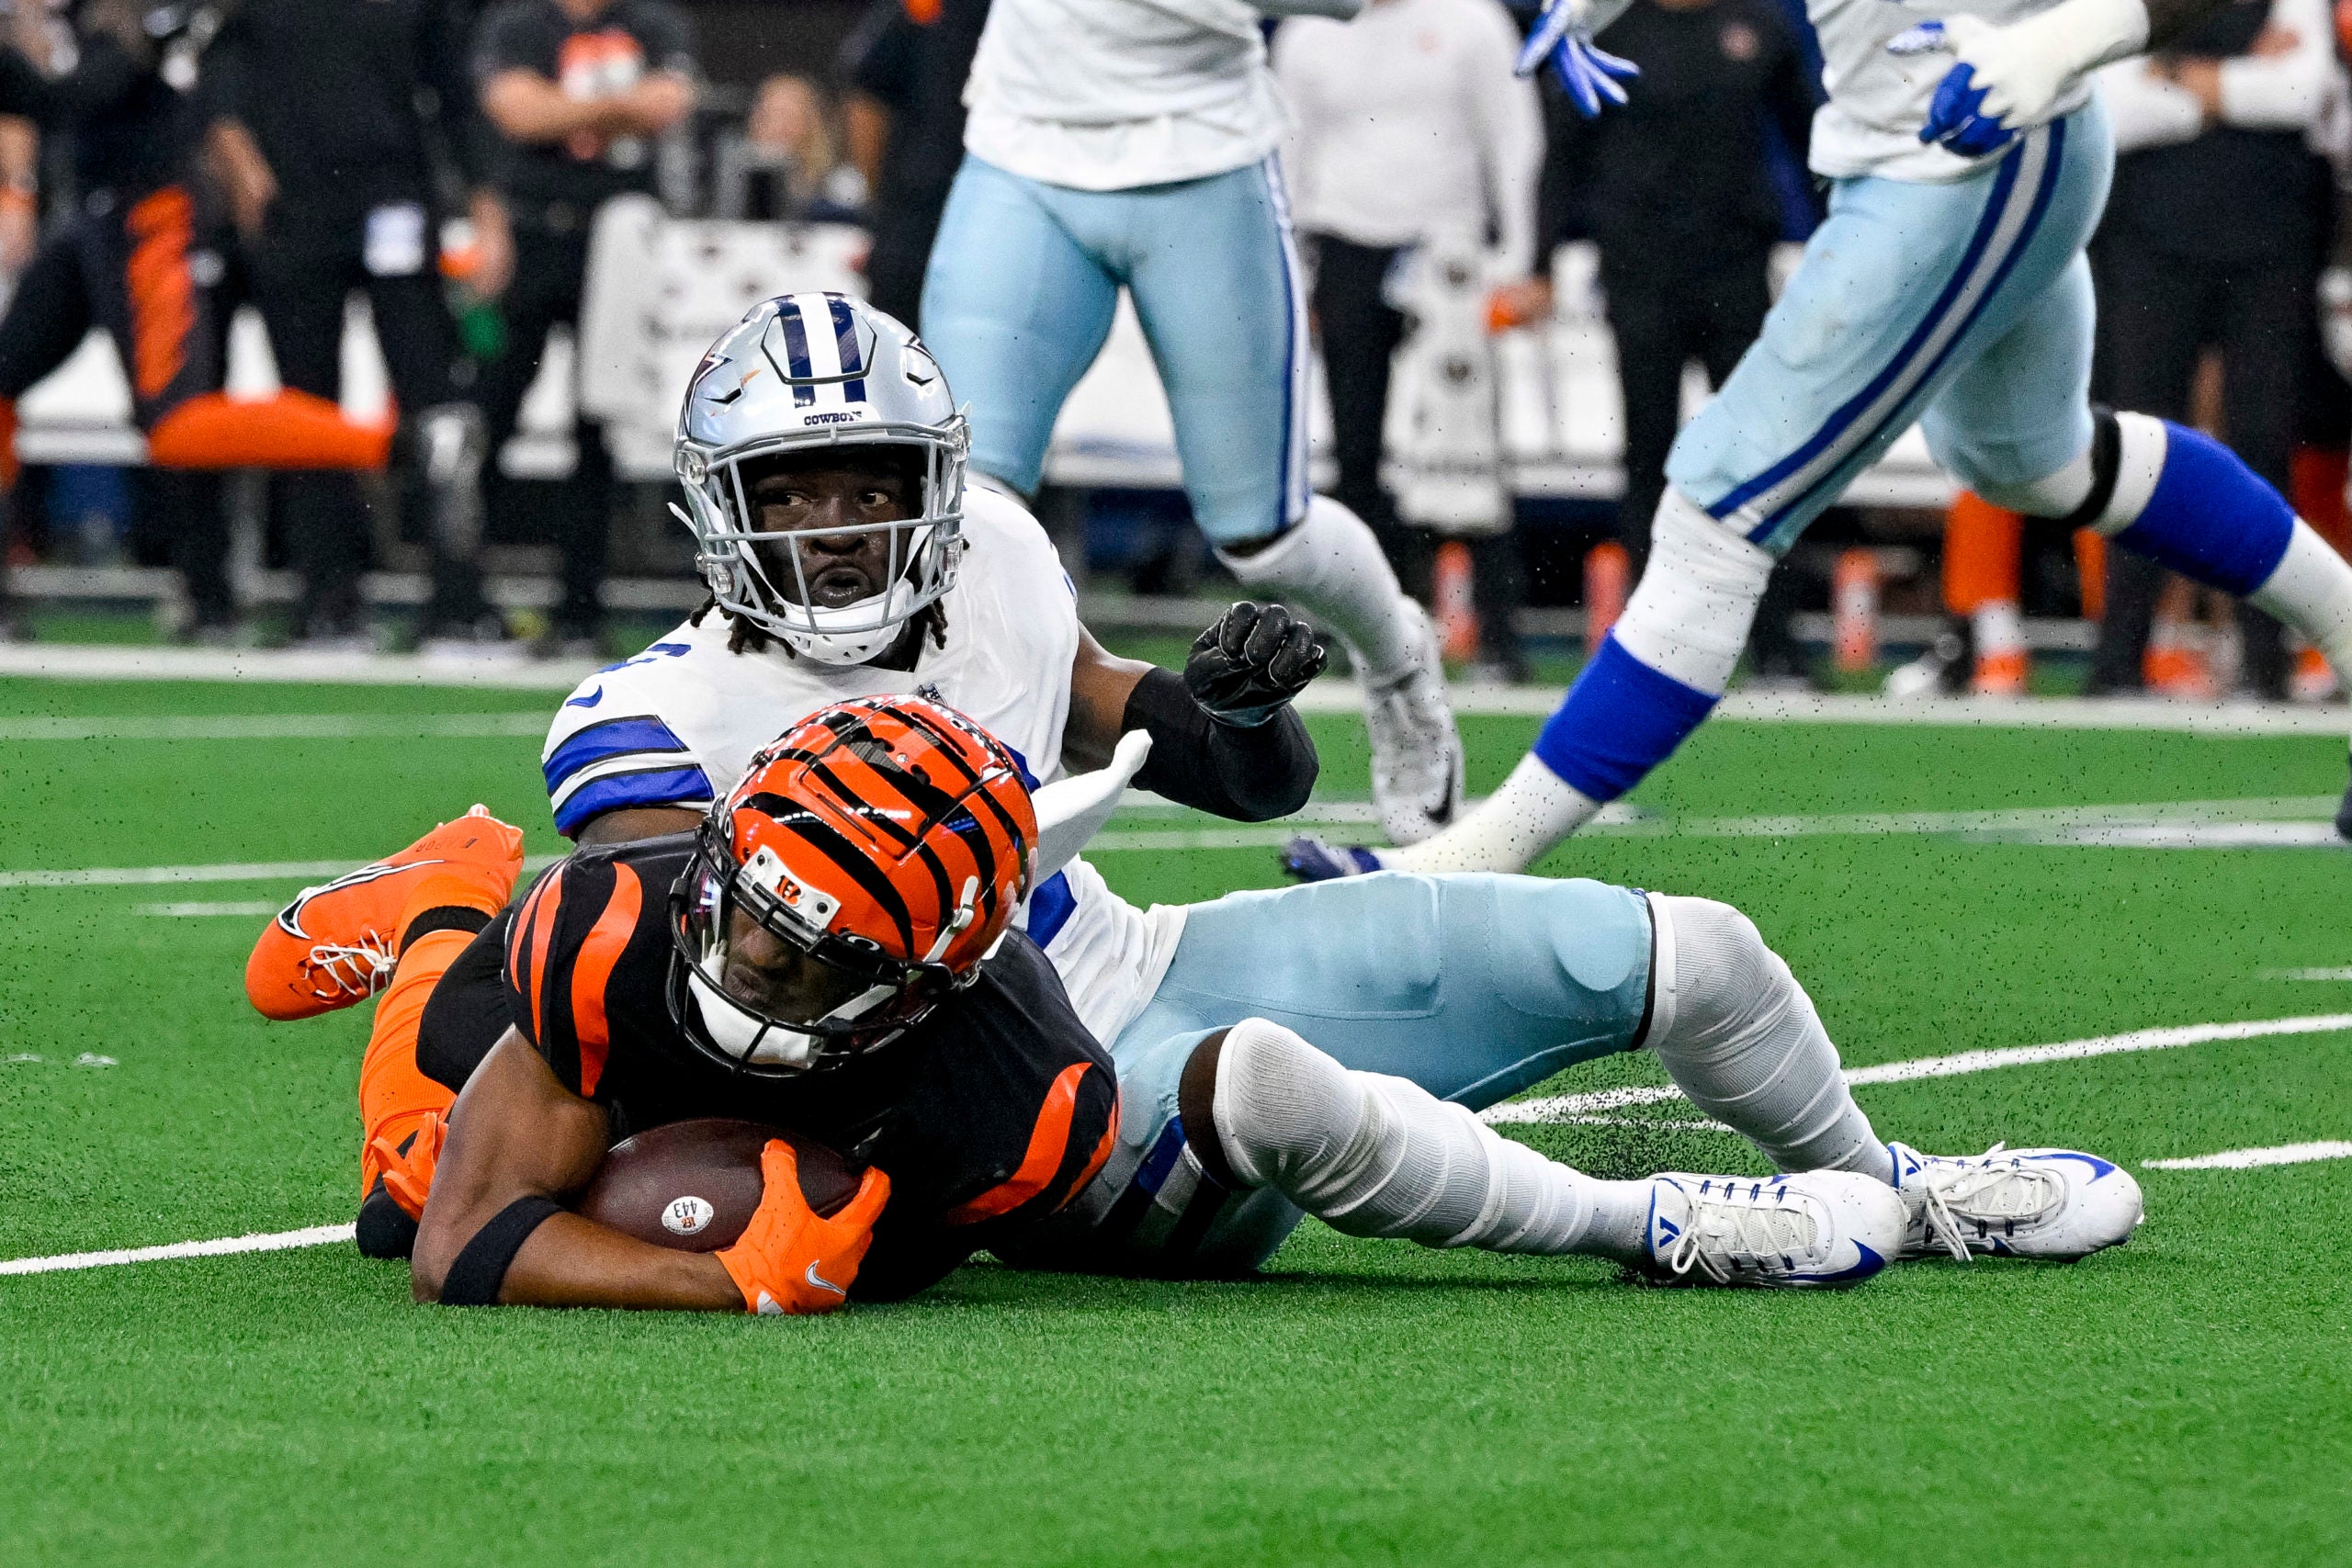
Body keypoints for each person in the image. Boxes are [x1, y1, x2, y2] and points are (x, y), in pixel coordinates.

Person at [253, 294, 2142, 1292]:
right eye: (797, 488)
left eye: (867, 476)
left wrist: (1230, 716)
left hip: (1121, 946)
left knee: (1698, 949)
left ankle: (1890, 1183)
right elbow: (713, 1002)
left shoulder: (990, 557)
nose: (838, 522)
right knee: (1269, 1088)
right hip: (972, 1071)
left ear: (936, 471)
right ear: (718, 510)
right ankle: (1656, 1223)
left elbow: (1175, 754)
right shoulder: (645, 718)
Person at [1282, 0, 2352, 879]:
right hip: (1913, 151)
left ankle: (1465, 864)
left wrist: (2062, 39)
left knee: (1716, 508)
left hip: (1965, 163)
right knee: (2035, 461)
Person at [920, 0, 1466, 849]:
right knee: (962, 511)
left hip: (1200, 158)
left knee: (1264, 538)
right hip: (1021, 149)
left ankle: (1399, 662)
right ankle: (975, 774)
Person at [0, 1, 397, 644]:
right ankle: (196, 591)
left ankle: (383, 445)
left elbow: (76, 96)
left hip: (158, 215)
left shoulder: (158, 14)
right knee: (5, 374)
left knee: (178, 425)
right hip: (94, 214)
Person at [200, 0, 505, 651]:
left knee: (436, 406)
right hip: (294, 208)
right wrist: (238, 157)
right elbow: (218, 76)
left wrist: (487, 208)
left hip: (393, 197)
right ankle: (326, 603)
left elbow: (455, 96)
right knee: (306, 408)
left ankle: (459, 601)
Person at [1271, 0, 1544, 664]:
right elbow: (1283, 152)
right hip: (1342, 243)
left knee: (1470, 446)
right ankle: (1365, 631)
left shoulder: (1473, 21)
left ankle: (1498, 639)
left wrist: (1517, 255)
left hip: (1448, 247)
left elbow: (1514, 137)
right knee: (1357, 452)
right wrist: (1291, 271)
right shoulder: (1307, 29)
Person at [2085, 0, 2335, 699]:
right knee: (2136, 447)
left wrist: (2175, 76)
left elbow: (2305, 92)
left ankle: (2267, 662)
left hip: (2271, 242)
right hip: (2150, 241)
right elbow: (2111, 103)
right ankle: (2120, 660)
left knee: (2265, 444)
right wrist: (2240, 82)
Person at [471, 0, 695, 659]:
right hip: (532, 234)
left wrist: (560, 107)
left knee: (598, 427)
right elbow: (513, 111)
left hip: (616, 243)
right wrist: (615, 106)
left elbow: (666, 106)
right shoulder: (518, 23)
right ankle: (464, 595)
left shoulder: (652, 21)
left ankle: (579, 607)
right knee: (490, 415)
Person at [836, 0, 992, 332]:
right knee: (897, 352)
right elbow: (868, 94)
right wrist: (880, 199)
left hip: (977, 204)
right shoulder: (923, 6)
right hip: (919, 214)